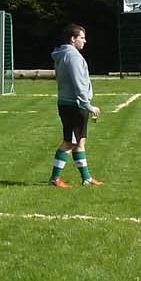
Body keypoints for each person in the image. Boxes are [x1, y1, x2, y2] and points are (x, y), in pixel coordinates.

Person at [49, 23, 103, 187]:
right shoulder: (72, 56)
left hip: (71, 103)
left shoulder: (64, 54)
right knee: (69, 142)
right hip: (74, 105)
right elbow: (78, 83)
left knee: (80, 141)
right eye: (82, 38)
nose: (85, 41)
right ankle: (54, 179)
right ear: (73, 39)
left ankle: (86, 178)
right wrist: (88, 105)